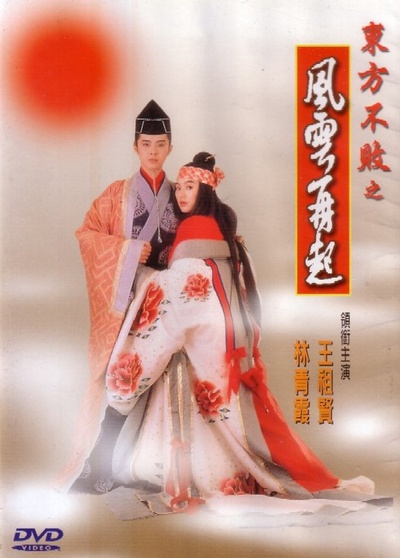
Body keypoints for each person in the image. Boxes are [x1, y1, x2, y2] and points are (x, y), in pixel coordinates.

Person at [90, 152, 374, 515]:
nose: (181, 195)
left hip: (201, 354)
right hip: (232, 354)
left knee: (176, 389)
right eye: (180, 188)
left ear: (205, 192)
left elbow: (171, 307)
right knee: (230, 420)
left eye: (190, 188)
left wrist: (146, 280)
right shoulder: (230, 242)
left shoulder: (191, 240)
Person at [55, 100, 179, 492]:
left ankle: (150, 466)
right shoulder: (115, 195)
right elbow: (87, 235)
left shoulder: (182, 195)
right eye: (146, 144)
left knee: (164, 380)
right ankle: (101, 464)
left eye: (160, 144)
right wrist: (127, 251)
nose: (153, 151)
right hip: (129, 304)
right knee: (125, 380)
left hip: (169, 304)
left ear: (170, 147)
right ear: (135, 147)